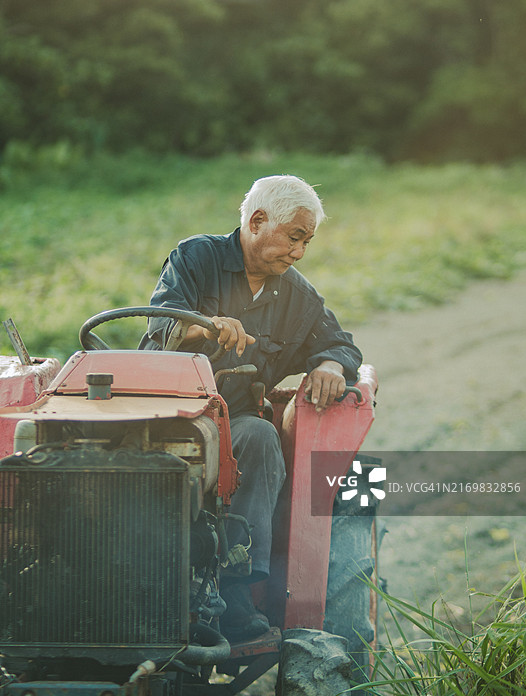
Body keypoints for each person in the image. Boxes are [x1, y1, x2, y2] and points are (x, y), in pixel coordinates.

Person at [139, 175, 362, 640]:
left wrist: (330, 365)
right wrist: (205, 326)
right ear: (257, 221)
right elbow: (162, 324)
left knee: (260, 435)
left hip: (231, 425)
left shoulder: (297, 296)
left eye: (307, 241)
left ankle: (235, 595)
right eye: (294, 237)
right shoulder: (196, 258)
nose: (299, 252)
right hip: (160, 416)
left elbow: (341, 344)